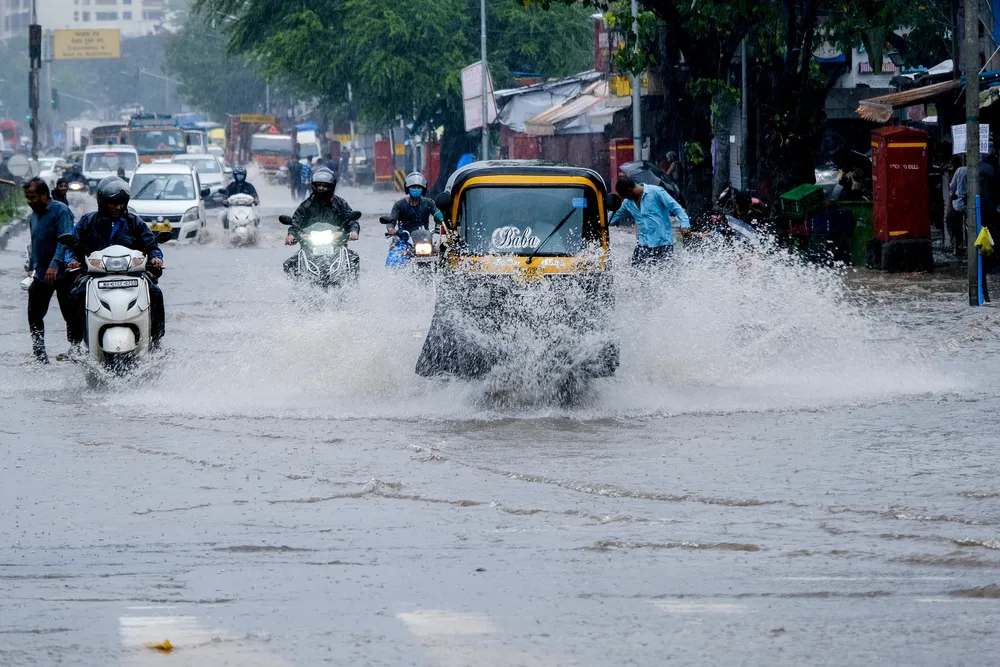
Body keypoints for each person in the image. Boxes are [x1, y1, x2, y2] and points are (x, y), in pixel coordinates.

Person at [65, 177, 166, 345]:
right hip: (94, 275)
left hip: (132, 274)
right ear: (102, 202)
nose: (117, 207)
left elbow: (151, 245)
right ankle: (75, 343)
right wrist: (73, 261)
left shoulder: (135, 222)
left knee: (155, 293)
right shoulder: (87, 221)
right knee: (76, 295)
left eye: (121, 203)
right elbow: (72, 246)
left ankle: (155, 340)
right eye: (112, 203)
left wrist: (156, 258)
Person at [23, 178, 82, 363]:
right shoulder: (34, 215)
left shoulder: (61, 211)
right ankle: (39, 355)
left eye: (32, 197)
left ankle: (76, 350)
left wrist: (54, 266)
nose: (29, 201)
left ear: (43, 195)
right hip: (42, 273)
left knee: (70, 313)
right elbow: (35, 242)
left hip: (63, 272)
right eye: (27, 197)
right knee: (34, 313)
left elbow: (64, 240)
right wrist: (31, 267)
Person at [284, 167, 360, 276]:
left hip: (336, 244)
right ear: (314, 185)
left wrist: (353, 231)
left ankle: (352, 287)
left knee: (354, 258)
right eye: (319, 185)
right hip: (310, 246)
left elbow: (351, 219)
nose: (321, 188)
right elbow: (295, 222)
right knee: (289, 264)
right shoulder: (306, 205)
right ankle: (298, 287)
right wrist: (291, 235)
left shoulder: (340, 203)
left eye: (325, 186)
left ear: (331, 186)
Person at [610, 177, 698, 267]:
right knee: (637, 274)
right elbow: (611, 218)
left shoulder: (656, 192)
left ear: (629, 191)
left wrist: (684, 224)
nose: (624, 199)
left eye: (624, 196)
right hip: (643, 244)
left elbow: (676, 208)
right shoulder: (627, 203)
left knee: (662, 275)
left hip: (663, 244)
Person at [219, 165, 260, 229]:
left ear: (245, 175)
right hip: (233, 207)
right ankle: (226, 230)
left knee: (257, 215)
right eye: (238, 175)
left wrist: (256, 199)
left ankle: (255, 230)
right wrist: (225, 201)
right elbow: (225, 195)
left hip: (247, 208)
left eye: (242, 175)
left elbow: (254, 194)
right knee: (223, 215)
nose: (240, 177)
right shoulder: (231, 186)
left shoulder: (249, 186)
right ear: (235, 175)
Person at [949, 156, 968, 256]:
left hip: (957, 203)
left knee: (956, 227)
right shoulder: (973, 171)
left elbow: (952, 186)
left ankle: (956, 248)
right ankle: (969, 248)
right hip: (968, 204)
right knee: (968, 226)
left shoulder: (959, 171)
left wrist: (952, 194)